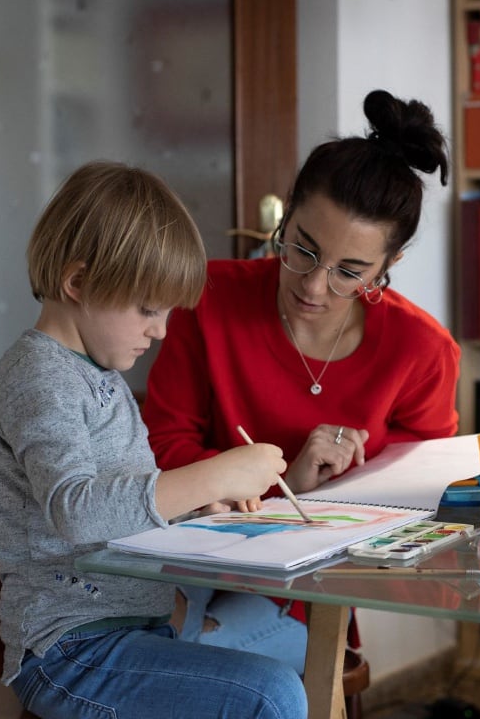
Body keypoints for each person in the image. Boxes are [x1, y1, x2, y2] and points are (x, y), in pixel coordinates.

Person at [143, 89, 460, 673]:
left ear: (389, 267)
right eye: (302, 250)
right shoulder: (206, 299)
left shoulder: (422, 351)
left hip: (316, 594)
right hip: (190, 564)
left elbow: (424, 505)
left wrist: (315, 498)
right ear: (285, 218)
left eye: (349, 272)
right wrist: (286, 479)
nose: (314, 288)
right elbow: (160, 452)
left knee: (171, 661)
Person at [0, 161, 307, 719]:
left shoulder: (97, 376)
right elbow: (76, 511)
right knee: (270, 695)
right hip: (70, 650)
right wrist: (212, 473)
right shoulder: (40, 379)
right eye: (148, 310)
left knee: (293, 637)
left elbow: (120, 505)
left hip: (131, 622)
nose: (160, 330)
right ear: (77, 283)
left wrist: (198, 502)